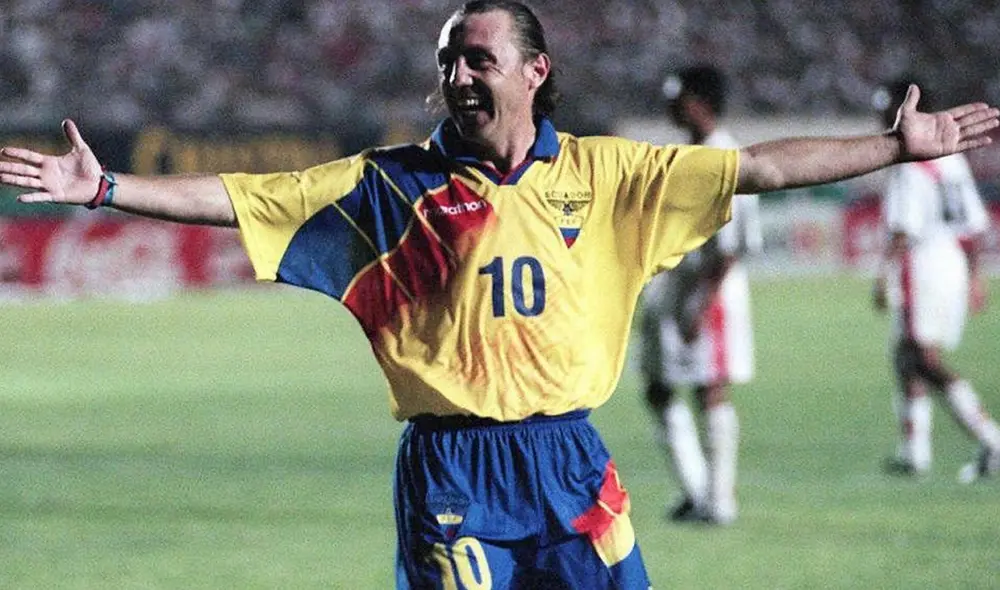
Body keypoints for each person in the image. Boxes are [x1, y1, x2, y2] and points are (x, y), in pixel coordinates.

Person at [1, 2, 997, 587]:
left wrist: (889, 150)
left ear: (534, 71)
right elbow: (244, 197)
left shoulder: (606, 174)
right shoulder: (391, 184)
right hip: (453, 472)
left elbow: (763, 171)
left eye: (478, 59)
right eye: (448, 63)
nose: (459, 76)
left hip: (572, 458)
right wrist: (110, 188)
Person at [639, 66, 761, 526]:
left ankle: (720, 499)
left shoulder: (726, 157)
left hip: (708, 288)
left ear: (700, 102)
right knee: (658, 386)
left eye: (678, 96)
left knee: (710, 388)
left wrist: (703, 303)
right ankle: (698, 492)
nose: (670, 104)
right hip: (674, 286)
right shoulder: (687, 154)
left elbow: (731, 246)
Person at [872, 78, 1000, 483]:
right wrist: (974, 278)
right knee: (906, 356)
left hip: (923, 262)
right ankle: (915, 452)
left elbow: (903, 227)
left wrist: (883, 273)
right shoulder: (951, 156)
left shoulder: (912, 155)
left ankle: (991, 439)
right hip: (952, 263)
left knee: (922, 360)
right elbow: (975, 225)